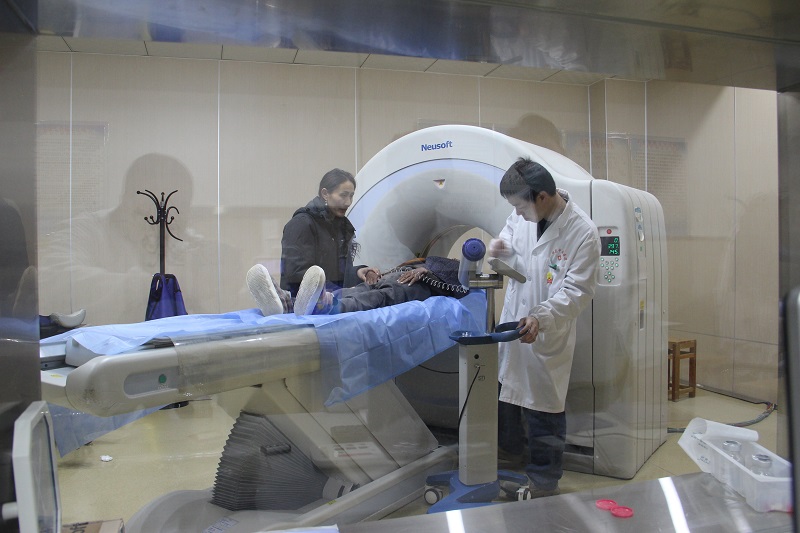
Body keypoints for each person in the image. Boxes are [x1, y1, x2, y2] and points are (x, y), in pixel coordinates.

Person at [490, 157, 600, 499]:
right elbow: (509, 238)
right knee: (507, 395)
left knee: (544, 409)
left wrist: (542, 317)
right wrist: (500, 248)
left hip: (547, 330)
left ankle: (544, 480)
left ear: (541, 197)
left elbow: (577, 291)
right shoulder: (522, 214)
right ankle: (509, 456)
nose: (517, 214)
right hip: (516, 318)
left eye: (521, 207)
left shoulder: (583, 233)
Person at [247, 256, 468, 317]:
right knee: (353, 291)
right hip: (394, 276)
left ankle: (325, 307)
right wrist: (371, 272)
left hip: (415, 286)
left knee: (377, 299)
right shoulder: (418, 259)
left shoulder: (456, 266)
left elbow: (461, 282)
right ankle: (288, 303)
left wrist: (425, 271)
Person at [280, 168, 380, 297]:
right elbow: (296, 274)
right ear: (325, 194)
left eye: (351, 196)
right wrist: (338, 292)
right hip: (302, 301)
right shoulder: (302, 224)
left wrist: (358, 272)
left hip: (333, 300)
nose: (348, 202)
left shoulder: (342, 227)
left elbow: (336, 274)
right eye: (343, 195)